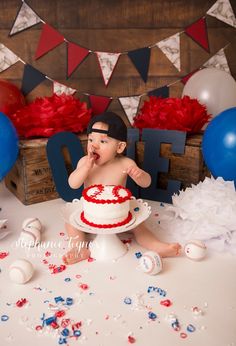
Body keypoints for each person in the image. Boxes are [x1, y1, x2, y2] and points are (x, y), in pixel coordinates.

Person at [63, 112, 181, 264]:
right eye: (91, 139)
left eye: (103, 141)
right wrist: (85, 168)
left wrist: (139, 175)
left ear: (119, 147)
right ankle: (78, 249)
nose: (94, 145)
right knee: (71, 223)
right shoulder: (84, 162)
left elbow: (146, 182)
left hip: (119, 216)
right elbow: (73, 183)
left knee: (139, 226)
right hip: (91, 216)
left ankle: (157, 246)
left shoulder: (125, 163)